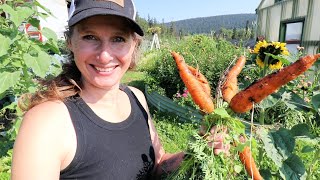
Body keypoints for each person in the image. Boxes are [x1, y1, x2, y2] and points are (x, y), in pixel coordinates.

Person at [11, 0, 229, 179]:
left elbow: (157, 165)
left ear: (134, 44)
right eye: (90, 37)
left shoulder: (136, 97)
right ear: (70, 41)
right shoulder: (47, 122)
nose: (105, 55)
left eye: (118, 39)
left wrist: (195, 152)